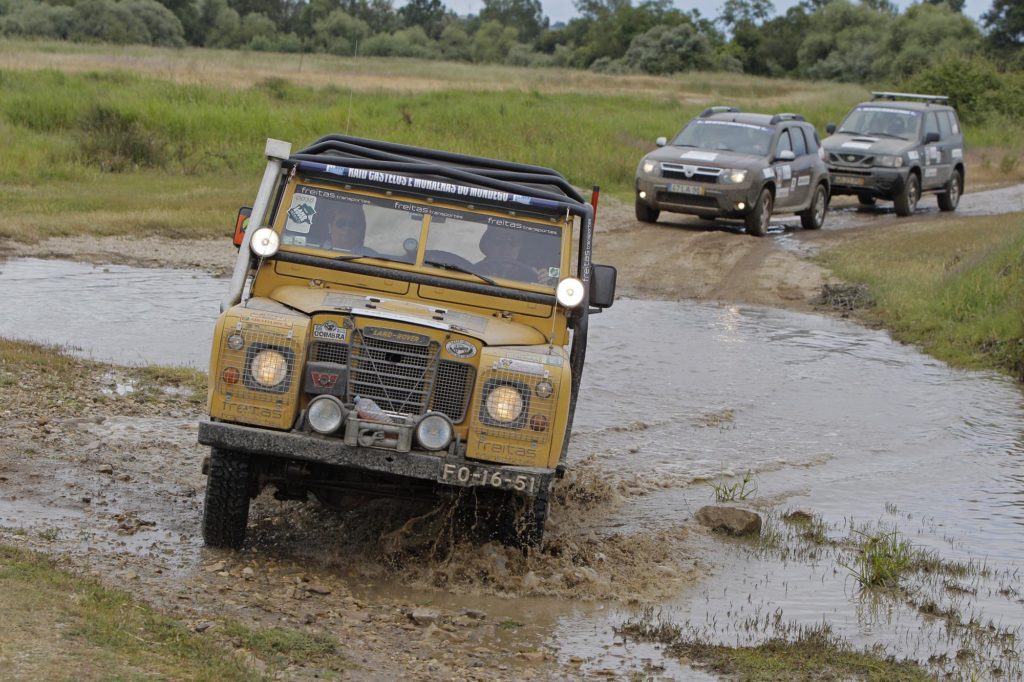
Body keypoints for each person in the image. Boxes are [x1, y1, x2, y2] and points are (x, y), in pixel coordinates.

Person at [475, 226, 556, 284]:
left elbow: (558, 275)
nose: (506, 250)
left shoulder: (532, 275)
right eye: (498, 242)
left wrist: (548, 281)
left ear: (521, 246)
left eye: (513, 243)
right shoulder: (474, 273)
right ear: (488, 244)